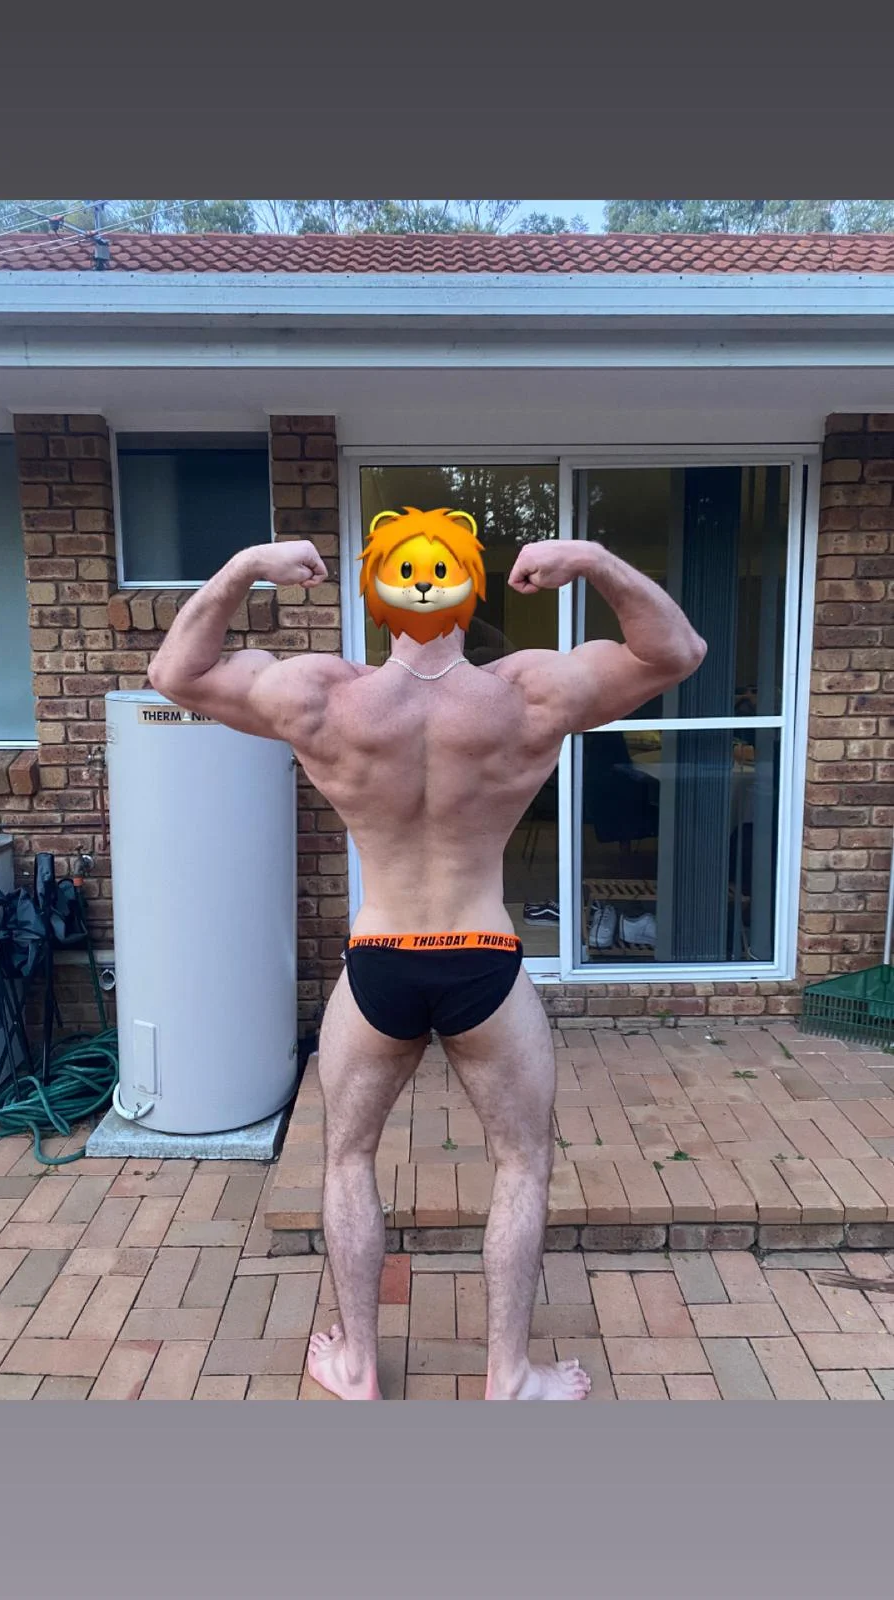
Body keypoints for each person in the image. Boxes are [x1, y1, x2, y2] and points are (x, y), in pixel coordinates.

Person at [149, 510, 706, 1400]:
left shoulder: (322, 695)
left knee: (347, 1160)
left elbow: (174, 672)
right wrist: (594, 558)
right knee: (521, 1163)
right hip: (483, 957)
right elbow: (676, 651)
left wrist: (247, 563)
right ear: (472, 590)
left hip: (381, 958)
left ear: (375, 594)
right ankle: (507, 1376)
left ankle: (359, 1367)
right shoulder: (527, 694)